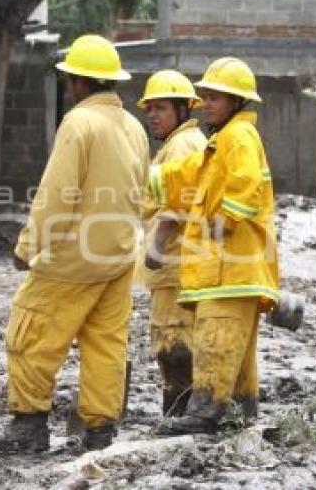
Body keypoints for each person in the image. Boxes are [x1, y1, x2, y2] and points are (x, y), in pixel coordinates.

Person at [0, 34, 149, 454]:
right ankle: (99, 431)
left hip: (75, 257)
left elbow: (57, 193)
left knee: (32, 330)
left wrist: (27, 247)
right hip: (119, 256)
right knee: (105, 343)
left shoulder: (79, 122)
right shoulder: (133, 126)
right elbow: (141, 191)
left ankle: (30, 425)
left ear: (77, 81)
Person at [147, 57, 280, 434]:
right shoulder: (219, 142)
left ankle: (205, 412)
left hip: (230, 267)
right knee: (239, 350)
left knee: (215, 338)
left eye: (215, 98)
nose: (206, 103)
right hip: (236, 270)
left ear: (238, 102)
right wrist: (149, 178)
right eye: (204, 96)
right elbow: (185, 174)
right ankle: (241, 410)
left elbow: (245, 181)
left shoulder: (238, 137)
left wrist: (227, 219)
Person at [135, 70, 207, 417]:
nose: (152, 116)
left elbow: (178, 202)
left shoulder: (181, 145)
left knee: (174, 343)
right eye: (149, 109)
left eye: (160, 108)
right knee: (179, 342)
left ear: (182, 109)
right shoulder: (184, 143)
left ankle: (180, 415)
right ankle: (184, 412)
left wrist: (157, 248)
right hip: (180, 267)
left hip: (175, 266)